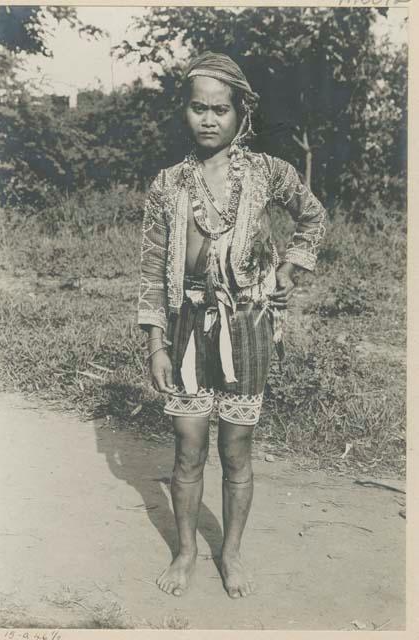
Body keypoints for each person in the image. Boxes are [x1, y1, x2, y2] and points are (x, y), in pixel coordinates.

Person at [137, 51, 326, 599]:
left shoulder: (268, 173)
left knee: (236, 450)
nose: (209, 119)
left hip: (248, 324)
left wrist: (291, 265)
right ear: (185, 112)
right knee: (187, 446)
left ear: (242, 113)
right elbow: (151, 267)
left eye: (221, 109)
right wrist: (155, 342)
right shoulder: (168, 184)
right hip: (187, 325)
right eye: (198, 108)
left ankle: (232, 552)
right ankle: (186, 551)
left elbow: (313, 215)